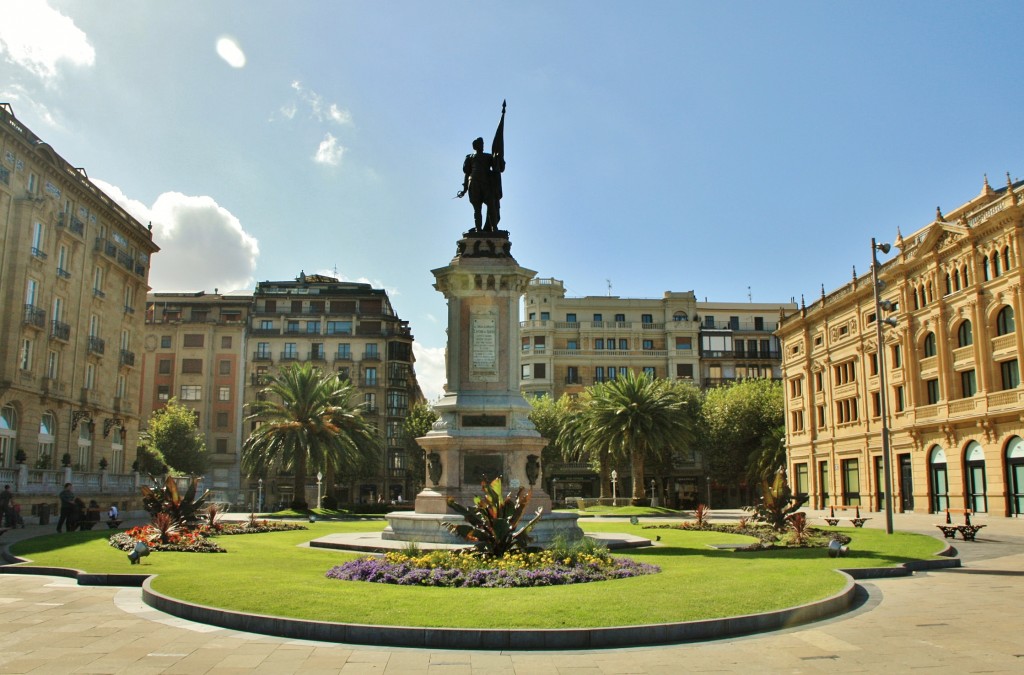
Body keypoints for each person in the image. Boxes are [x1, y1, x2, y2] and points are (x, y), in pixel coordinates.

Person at [458, 137, 505, 232]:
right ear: (475, 146)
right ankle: (478, 229)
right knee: (477, 208)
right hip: (474, 183)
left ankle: (494, 228)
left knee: (492, 205)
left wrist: (498, 158)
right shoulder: (469, 157)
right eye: (481, 144)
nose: (482, 146)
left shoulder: (488, 157)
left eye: (483, 144)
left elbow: (499, 168)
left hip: (486, 184)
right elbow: (467, 173)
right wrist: (464, 189)